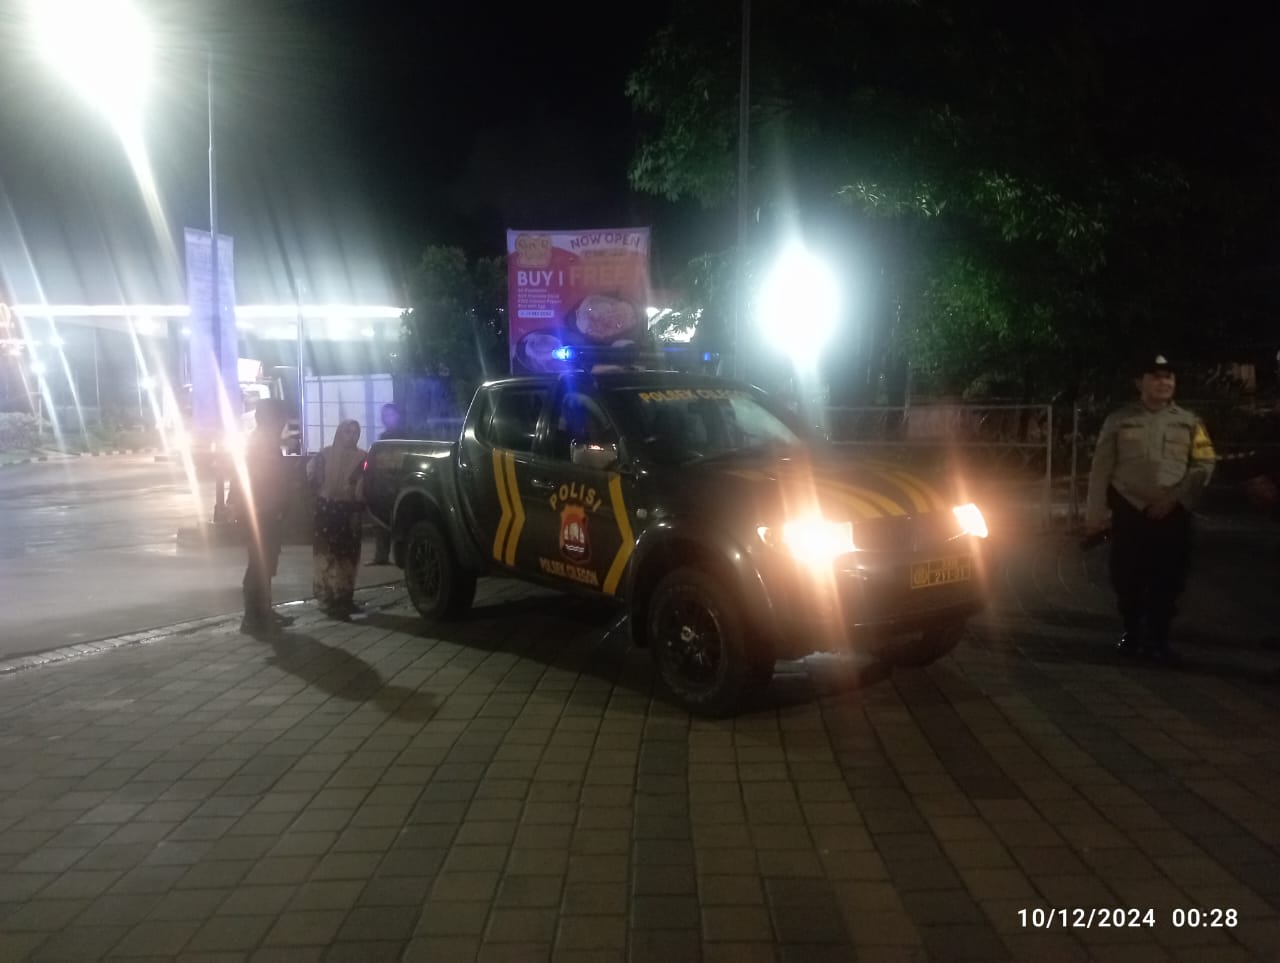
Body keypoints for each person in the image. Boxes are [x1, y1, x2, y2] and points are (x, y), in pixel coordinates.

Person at [1084, 353, 1216, 664]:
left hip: (1173, 513)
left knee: (1169, 577)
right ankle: (1131, 632)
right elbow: (1101, 470)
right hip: (1130, 511)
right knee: (1127, 575)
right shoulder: (1118, 420)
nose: (1164, 382)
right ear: (1139, 382)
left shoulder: (1191, 422)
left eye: (1169, 377)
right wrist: (1095, 516)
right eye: (1156, 377)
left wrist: (1176, 499)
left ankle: (1158, 638)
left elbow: (1204, 463)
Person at [240, 399, 292, 639]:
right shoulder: (259, 444)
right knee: (259, 565)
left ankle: (263, 611)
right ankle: (253, 617)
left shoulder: (265, 442)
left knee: (266, 563)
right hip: (259, 513)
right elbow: (258, 481)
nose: (282, 424)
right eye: (279, 419)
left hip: (267, 512)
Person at [308, 419, 368, 616]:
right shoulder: (325, 454)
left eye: (355, 432)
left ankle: (344, 598)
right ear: (339, 433)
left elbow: (363, 486)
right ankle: (328, 598)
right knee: (326, 555)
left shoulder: (362, 457)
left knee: (347, 556)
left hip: (348, 511)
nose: (352, 436)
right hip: (326, 510)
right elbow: (313, 480)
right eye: (347, 432)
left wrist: (357, 509)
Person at [369, 403, 406, 566]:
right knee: (380, 520)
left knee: (400, 521)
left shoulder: (407, 436)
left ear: (398, 416)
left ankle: (403, 557)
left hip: (401, 483)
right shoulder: (383, 437)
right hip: (383, 484)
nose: (386, 419)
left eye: (390, 415)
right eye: (384, 416)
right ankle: (381, 556)